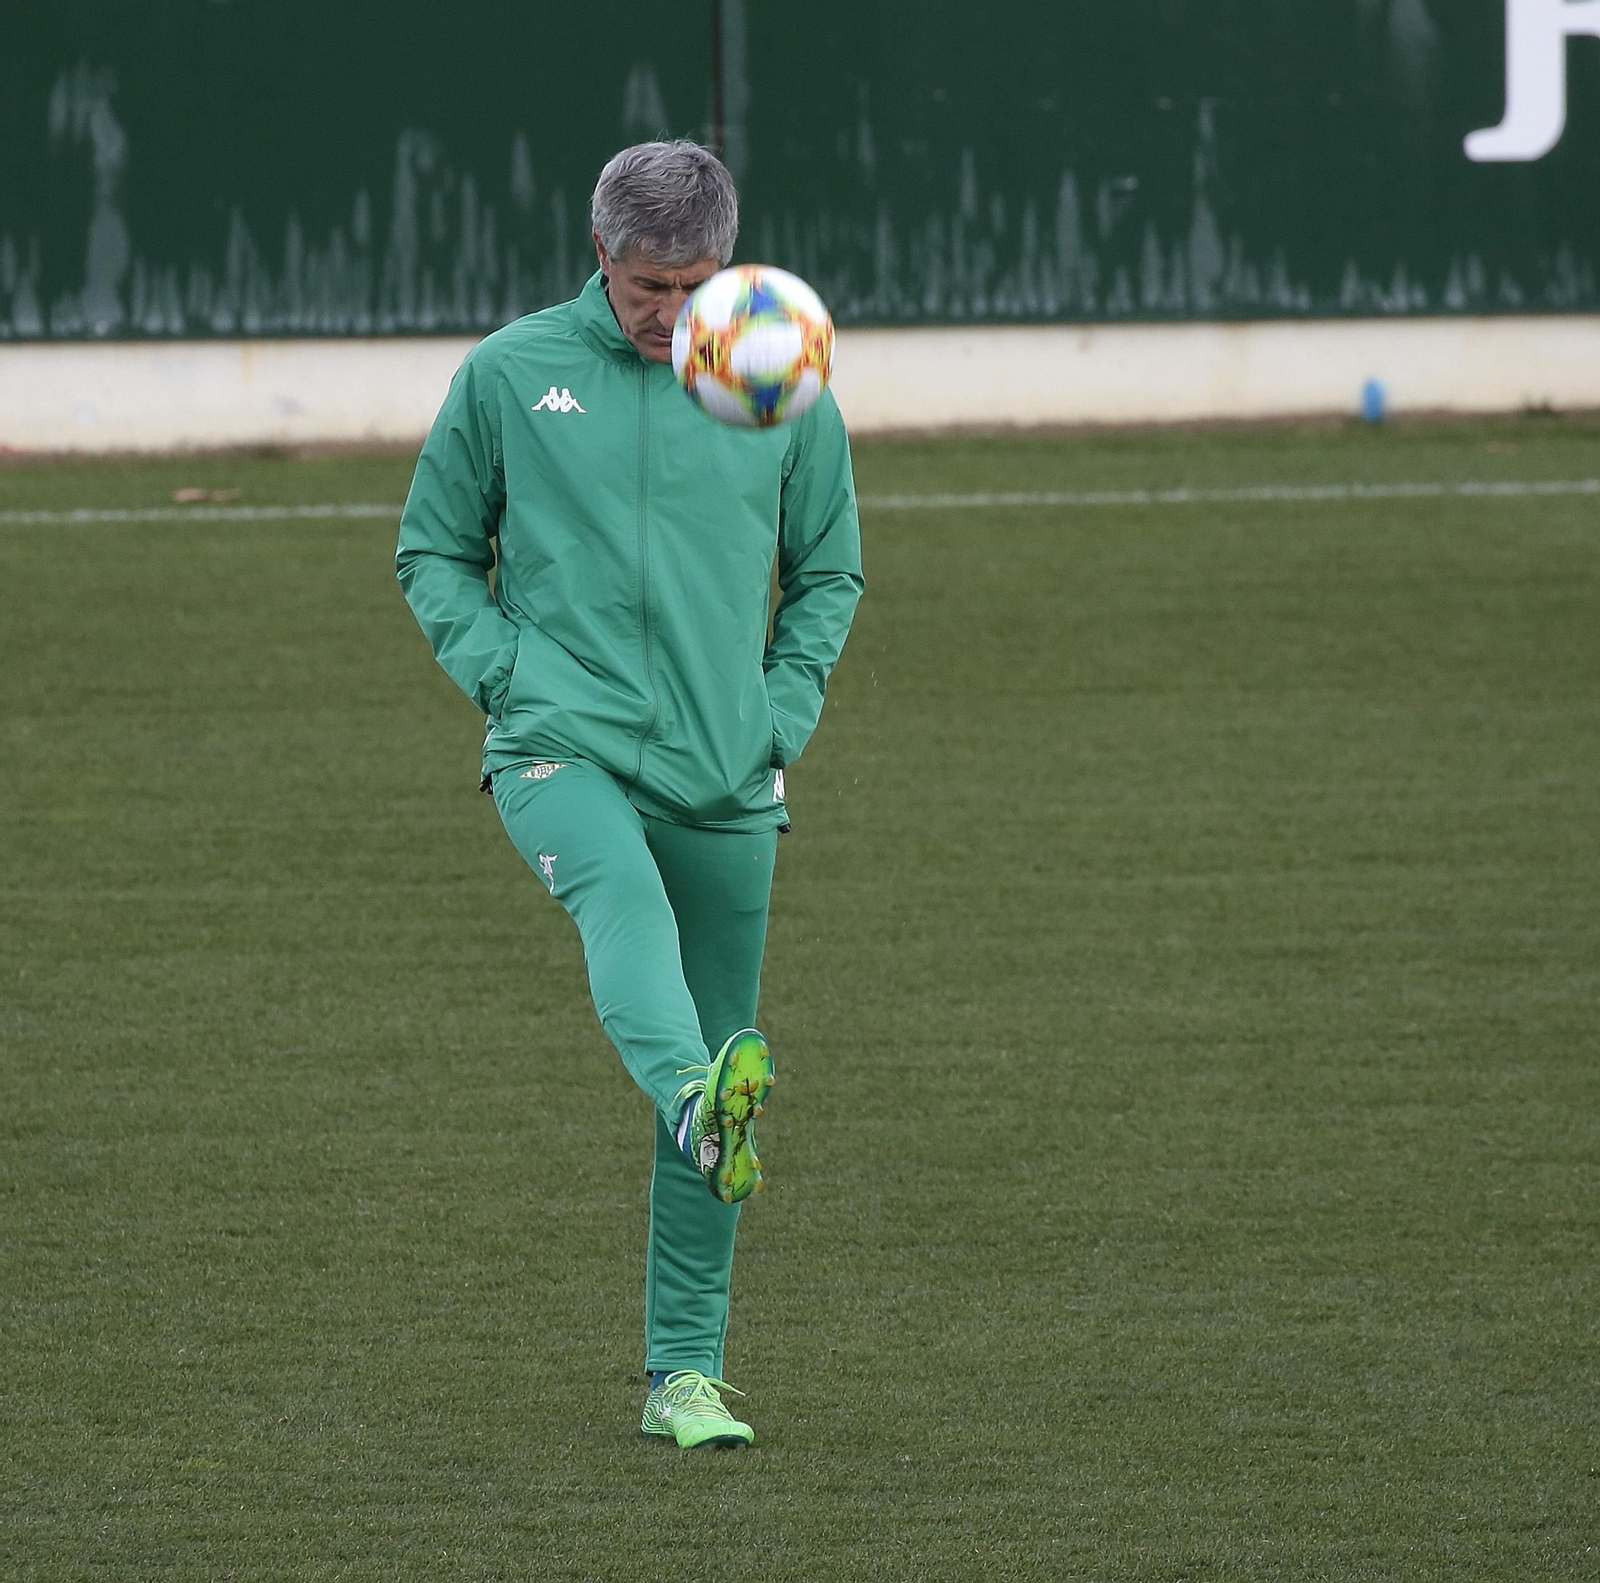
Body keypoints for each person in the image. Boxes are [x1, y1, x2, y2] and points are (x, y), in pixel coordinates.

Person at [395, 141, 863, 1449]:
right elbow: (432, 548)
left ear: (731, 263)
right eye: (648, 286)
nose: (670, 314)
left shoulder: (778, 376)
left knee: (726, 1060)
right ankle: (690, 1095)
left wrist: (782, 713)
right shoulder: (511, 374)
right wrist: (504, 675)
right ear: (602, 257)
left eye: (695, 284)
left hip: (727, 767)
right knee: (624, 914)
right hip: (562, 745)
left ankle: (686, 1379)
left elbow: (828, 569)